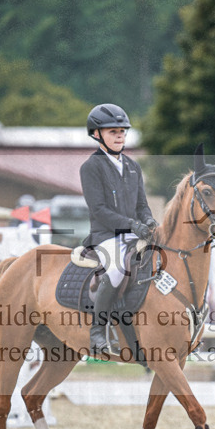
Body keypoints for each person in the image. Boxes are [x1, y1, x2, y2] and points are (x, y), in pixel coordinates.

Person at [80, 103, 157, 354]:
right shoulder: (91, 167)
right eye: (113, 131)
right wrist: (131, 224)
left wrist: (148, 221)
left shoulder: (134, 167)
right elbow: (99, 210)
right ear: (96, 134)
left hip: (135, 234)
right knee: (115, 270)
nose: (120, 136)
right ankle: (97, 332)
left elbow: (142, 205)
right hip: (106, 236)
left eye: (122, 131)